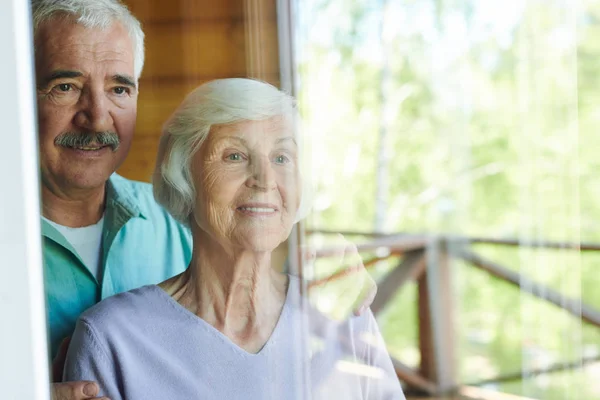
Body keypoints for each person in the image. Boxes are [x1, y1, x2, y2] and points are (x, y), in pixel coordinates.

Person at [32, 1, 376, 399]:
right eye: (65, 87)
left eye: (118, 88)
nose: (96, 117)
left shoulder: (183, 215)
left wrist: (336, 274)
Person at [63, 78, 404, 400]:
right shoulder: (111, 338)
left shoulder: (340, 311)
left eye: (282, 157)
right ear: (183, 177)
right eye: (235, 156)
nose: (265, 179)